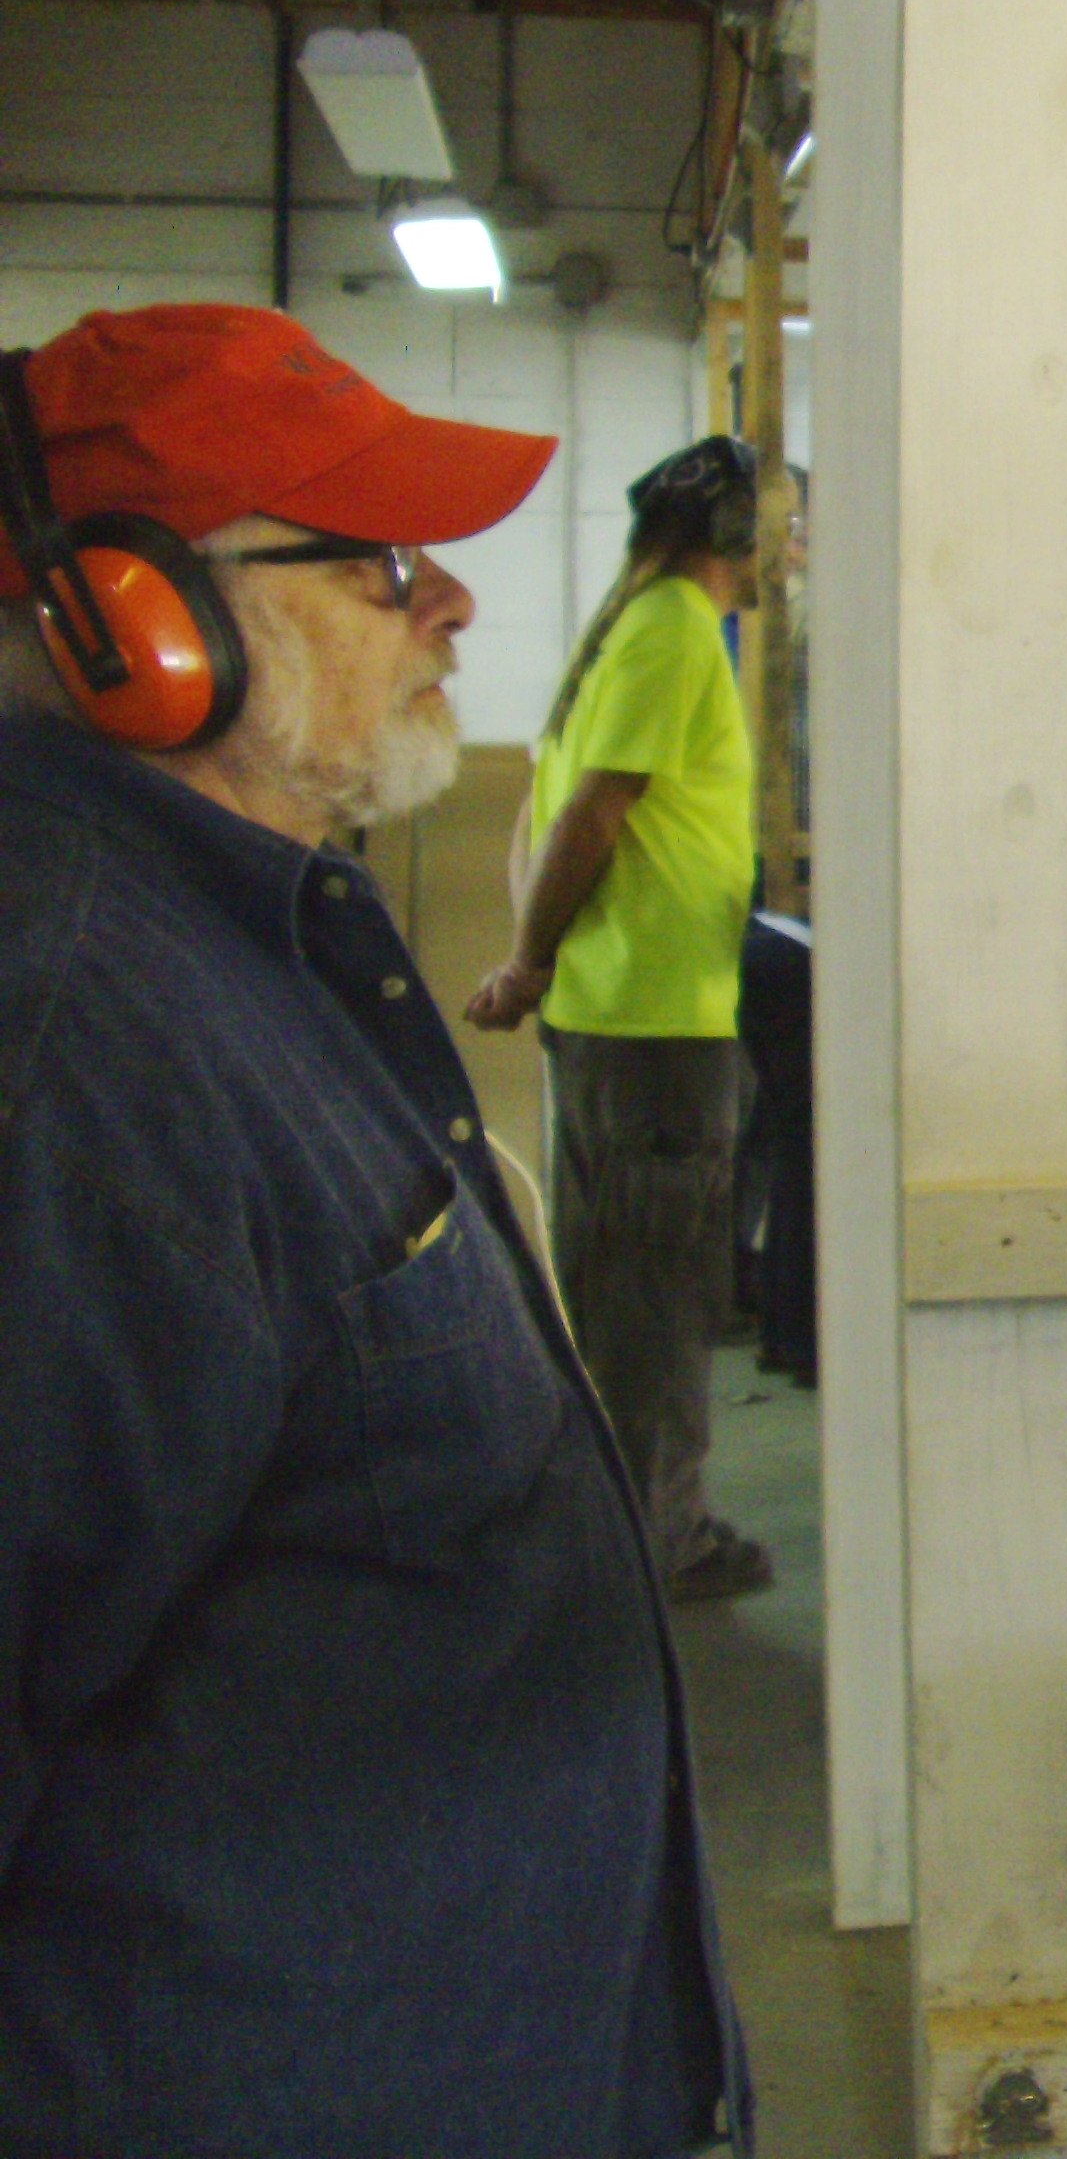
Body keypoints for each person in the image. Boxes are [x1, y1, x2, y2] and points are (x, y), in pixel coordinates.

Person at [0, 305, 746, 2153]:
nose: (450, 607)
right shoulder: (71, 1048)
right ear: (134, 620)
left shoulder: (240, 940)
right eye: (378, 568)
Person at [465, 436, 797, 1603]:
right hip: (661, 1024)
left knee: (618, 1292)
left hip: (618, 1011)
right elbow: (591, 819)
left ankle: (612, 1525)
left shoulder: (622, 628)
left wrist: (533, 964)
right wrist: (524, 958)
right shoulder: (671, 634)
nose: (792, 543)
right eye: (783, 519)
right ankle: (660, 1546)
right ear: (733, 533)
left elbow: (543, 812)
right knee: (660, 1303)